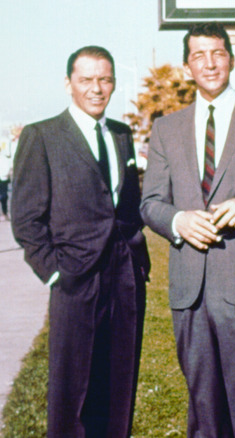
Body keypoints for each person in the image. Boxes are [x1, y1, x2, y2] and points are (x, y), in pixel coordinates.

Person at [140, 22, 235, 437]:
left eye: (217, 53)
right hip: (189, 289)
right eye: (199, 56)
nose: (209, 64)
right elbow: (150, 202)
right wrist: (178, 221)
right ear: (187, 66)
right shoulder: (165, 129)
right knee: (203, 408)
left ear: (231, 58)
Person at [11, 45, 150, 437]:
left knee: (120, 382)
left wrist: (136, 262)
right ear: (68, 83)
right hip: (75, 280)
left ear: (114, 84)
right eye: (86, 80)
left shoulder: (120, 135)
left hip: (124, 278)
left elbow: (126, 205)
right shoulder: (42, 136)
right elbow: (26, 218)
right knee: (73, 388)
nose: (96, 88)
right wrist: (55, 273)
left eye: (105, 80)